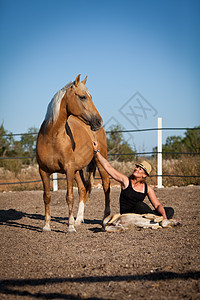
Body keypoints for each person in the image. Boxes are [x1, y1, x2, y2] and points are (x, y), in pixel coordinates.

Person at [93, 141, 174, 220]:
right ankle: (155, 219)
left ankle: (155, 218)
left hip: (140, 215)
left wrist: (164, 215)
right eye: (137, 167)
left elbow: (157, 205)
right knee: (140, 205)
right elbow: (108, 167)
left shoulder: (147, 188)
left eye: (140, 169)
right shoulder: (126, 181)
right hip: (127, 215)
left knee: (169, 210)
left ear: (144, 175)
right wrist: (96, 151)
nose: (136, 169)